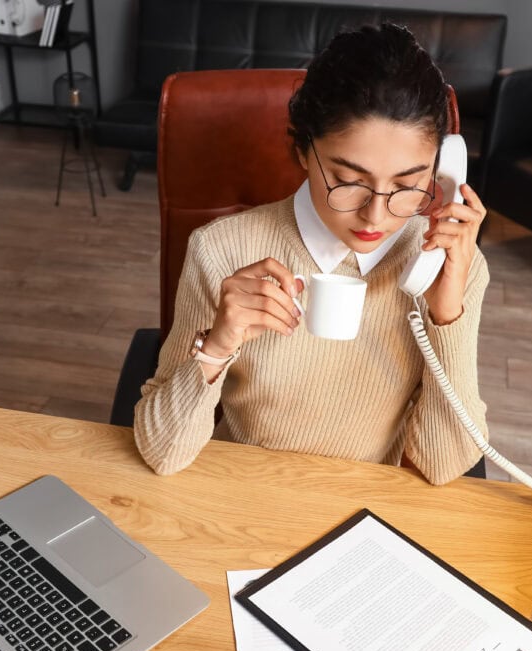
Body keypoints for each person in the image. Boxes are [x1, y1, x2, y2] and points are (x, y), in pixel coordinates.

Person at [133, 23, 489, 486]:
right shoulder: (221, 249)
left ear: (441, 170)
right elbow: (163, 453)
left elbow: (444, 466)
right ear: (302, 149)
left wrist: (446, 317)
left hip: (363, 513)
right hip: (245, 497)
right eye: (350, 180)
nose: (376, 217)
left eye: (406, 186)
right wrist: (217, 345)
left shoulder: (447, 263)